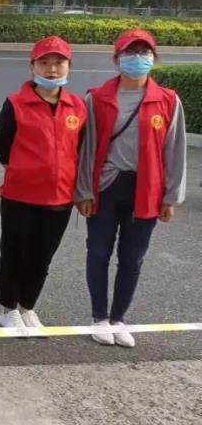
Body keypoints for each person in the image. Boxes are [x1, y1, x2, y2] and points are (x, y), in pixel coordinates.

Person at [75, 28, 187, 348]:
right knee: (98, 251)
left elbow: (174, 151)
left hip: (147, 189)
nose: (137, 58)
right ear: (116, 59)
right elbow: (85, 149)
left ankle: (119, 318)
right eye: (130, 52)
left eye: (144, 52)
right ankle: (99, 317)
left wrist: (170, 197)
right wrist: (84, 190)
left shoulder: (167, 100)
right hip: (107, 186)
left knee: (133, 257)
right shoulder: (96, 98)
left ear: (154, 58)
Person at [0, 36, 86, 330]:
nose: (52, 69)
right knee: (14, 254)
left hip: (59, 199)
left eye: (58, 62)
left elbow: (82, 148)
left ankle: (27, 306)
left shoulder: (77, 106)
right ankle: (8, 308)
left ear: (69, 66)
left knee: (42, 257)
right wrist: (21, 168)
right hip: (20, 196)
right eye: (44, 63)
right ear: (32, 67)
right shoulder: (16, 103)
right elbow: (0, 141)